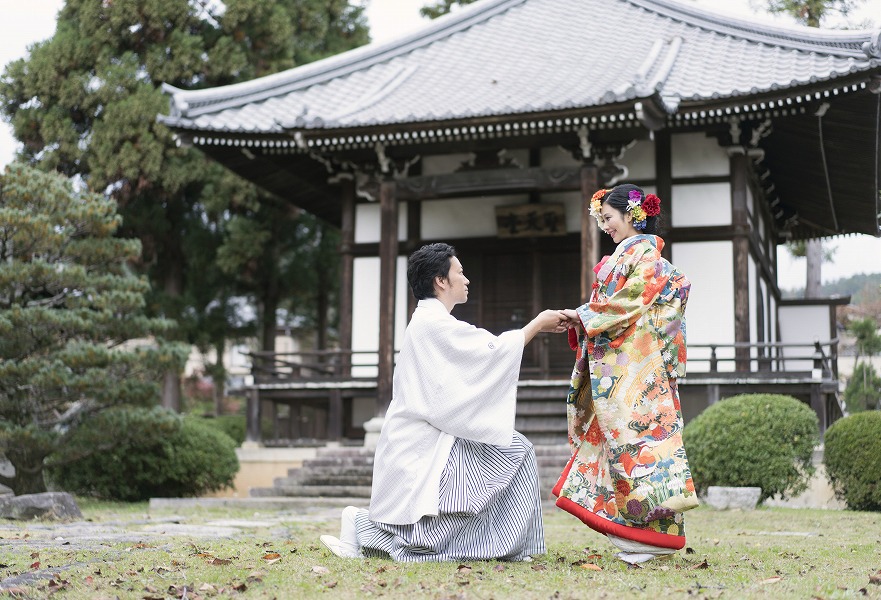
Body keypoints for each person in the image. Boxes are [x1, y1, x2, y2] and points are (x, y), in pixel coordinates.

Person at [320, 242, 568, 562]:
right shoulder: (431, 323)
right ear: (441, 281)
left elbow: (471, 366)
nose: (467, 280)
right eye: (460, 273)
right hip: (421, 442)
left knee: (515, 451)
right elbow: (489, 352)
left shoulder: (431, 322)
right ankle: (361, 525)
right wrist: (536, 325)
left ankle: (509, 545)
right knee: (431, 534)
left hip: (434, 434)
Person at [553, 184, 699, 564]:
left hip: (638, 367)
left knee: (644, 448)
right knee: (620, 448)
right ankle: (635, 535)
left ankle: (651, 539)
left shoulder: (646, 257)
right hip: (623, 366)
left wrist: (584, 316)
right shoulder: (627, 255)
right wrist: (585, 317)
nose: (606, 226)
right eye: (602, 220)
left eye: (609, 218)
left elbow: (632, 302)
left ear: (632, 215)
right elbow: (618, 306)